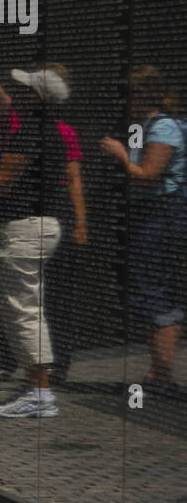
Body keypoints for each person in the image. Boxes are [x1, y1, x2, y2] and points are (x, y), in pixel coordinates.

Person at [0, 69, 69, 418]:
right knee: (29, 309)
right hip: (34, 229)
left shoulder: (31, 135)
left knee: (25, 312)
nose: (17, 95)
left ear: (38, 99)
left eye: (25, 91)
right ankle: (37, 389)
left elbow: (0, 184)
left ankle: (40, 394)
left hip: (23, 232)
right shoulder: (50, 133)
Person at [99, 66, 186, 389]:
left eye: (132, 94)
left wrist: (121, 155)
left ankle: (163, 374)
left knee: (155, 290)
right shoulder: (146, 125)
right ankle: (158, 371)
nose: (126, 102)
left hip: (159, 215)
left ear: (148, 93)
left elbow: (148, 173)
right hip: (147, 214)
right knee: (148, 289)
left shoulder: (163, 128)